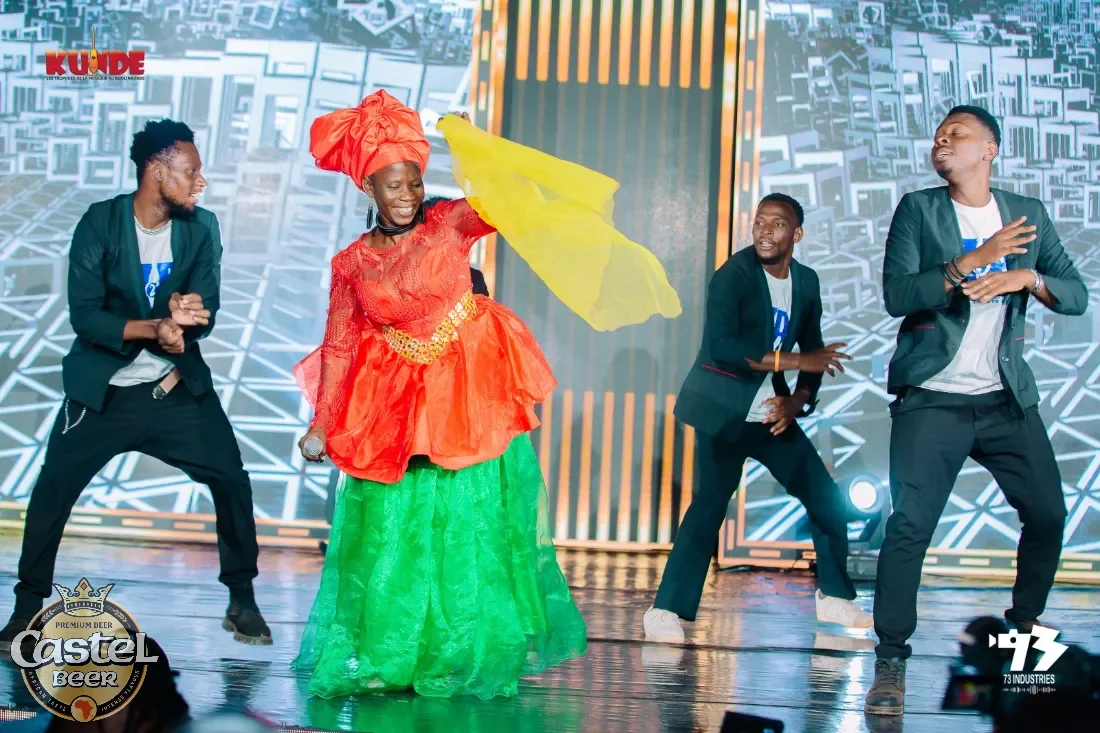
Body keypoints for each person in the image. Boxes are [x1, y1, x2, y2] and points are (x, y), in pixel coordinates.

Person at [292, 91, 681, 700]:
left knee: (466, 528)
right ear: (368, 188)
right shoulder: (351, 264)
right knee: (394, 532)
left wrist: (470, 152)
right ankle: (394, 654)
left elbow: (505, 204)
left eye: (415, 183)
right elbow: (339, 345)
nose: (407, 195)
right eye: (394, 186)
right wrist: (322, 422)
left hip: (464, 394)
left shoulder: (447, 224)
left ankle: (462, 652)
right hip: (395, 403)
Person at [0, 120, 271, 653]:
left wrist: (189, 319)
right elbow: (85, 316)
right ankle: (26, 609)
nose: (200, 181)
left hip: (173, 389)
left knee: (231, 479)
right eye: (190, 171)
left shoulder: (202, 227)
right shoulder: (100, 223)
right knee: (52, 491)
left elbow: (206, 307)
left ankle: (242, 599)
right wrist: (154, 327)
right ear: (156, 170)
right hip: (103, 392)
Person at [864, 105, 1087, 716]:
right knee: (910, 526)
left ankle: (1024, 630)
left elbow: (1075, 295)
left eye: (956, 134)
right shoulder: (919, 209)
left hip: (1002, 398)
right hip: (933, 397)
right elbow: (897, 294)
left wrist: (1027, 279)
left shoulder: (1026, 214)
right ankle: (890, 659)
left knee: (1048, 513)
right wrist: (969, 260)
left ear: (988, 149)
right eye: (938, 135)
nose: (942, 140)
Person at [642, 193, 872, 644]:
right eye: (759, 222)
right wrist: (796, 363)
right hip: (724, 411)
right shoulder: (733, 275)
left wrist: (797, 401)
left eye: (777, 224)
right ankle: (664, 610)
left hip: (771, 413)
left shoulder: (806, 281)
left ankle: (833, 596)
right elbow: (725, 348)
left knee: (826, 498)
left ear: (796, 234)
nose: (765, 231)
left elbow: (814, 350)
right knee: (710, 505)